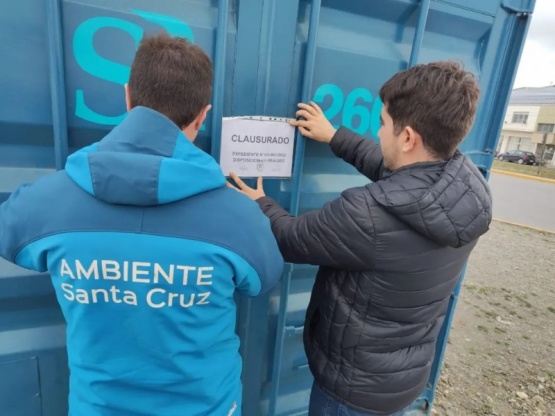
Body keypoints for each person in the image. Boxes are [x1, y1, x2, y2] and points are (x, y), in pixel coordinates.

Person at [0, 33, 283, 416]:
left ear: (128, 97)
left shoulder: (44, 204)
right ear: (203, 114)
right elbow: (262, 280)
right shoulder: (241, 218)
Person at [229, 61, 492, 415]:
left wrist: (260, 204)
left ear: (409, 137)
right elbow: (399, 174)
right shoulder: (468, 188)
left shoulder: (368, 214)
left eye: (383, 124)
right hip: (402, 380)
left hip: (351, 394)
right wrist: (336, 137)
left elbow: (292, 237)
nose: (379, 133)